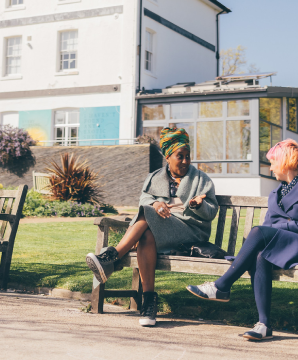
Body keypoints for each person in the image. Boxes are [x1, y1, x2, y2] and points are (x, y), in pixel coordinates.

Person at [187, 139, 298, 342]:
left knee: (257, 232)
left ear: (283, 162)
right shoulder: (275, 194)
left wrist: (284, 226)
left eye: (272, 162)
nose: (271, 168)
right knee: (259, 255)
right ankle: (263, 325)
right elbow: (267, 228)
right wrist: (275, 231)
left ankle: (222, 285)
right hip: (283, 247)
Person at [85, 127, 218, 328]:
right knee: (146, 233)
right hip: (162, 231)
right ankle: (149, 303)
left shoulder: (201, 179)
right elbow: (146, 199)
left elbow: (211, 212)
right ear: (167, 156)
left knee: (146, 214)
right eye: (179, 156)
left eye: (187, 157)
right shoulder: (155, 177)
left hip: (191, 231)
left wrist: (198, 205)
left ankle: (111, 258)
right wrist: (156, 204)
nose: (185, 161)